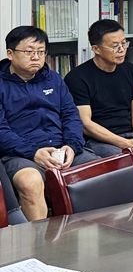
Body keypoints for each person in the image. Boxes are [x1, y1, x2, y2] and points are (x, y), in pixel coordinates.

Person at [0, 26, 98, 220]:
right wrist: (34, 152)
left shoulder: (53, 79)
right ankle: (40, 238)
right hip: (20, 154)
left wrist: (72, 145)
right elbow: (1, 131)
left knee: (102, 170)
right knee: (30, 182)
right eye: (29, 51)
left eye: (41, 51)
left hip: (62, 148)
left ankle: (91, 231)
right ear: (10, 54)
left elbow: (71, 115)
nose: (36, 57)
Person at [65, 19, 133, 194]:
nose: (121, 50)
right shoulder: (77, 77)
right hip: (99, 140)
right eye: (115, 46)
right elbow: (86, 124)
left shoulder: (130, 70)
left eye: (124, 43)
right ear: (96, 49)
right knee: (122, 162)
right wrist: (125, 144)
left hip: (131, 136)